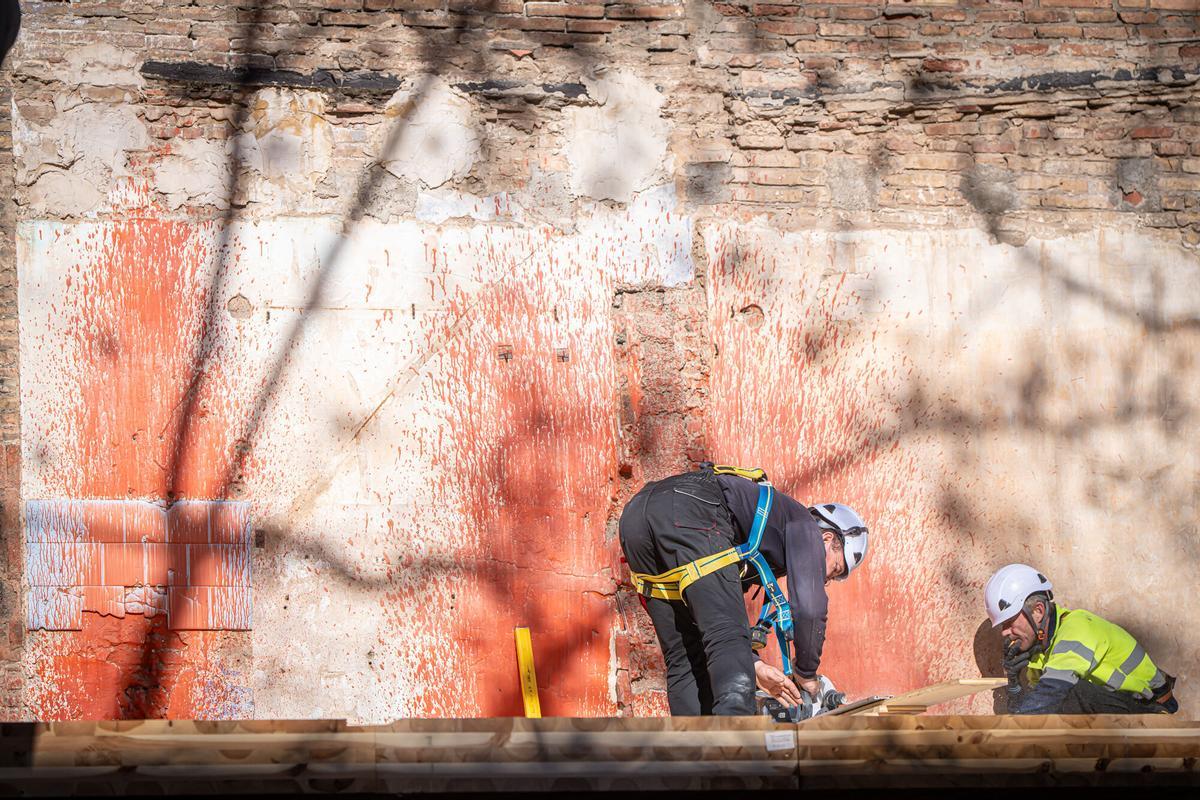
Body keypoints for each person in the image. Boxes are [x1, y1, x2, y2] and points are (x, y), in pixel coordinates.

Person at [619, 463, 869, 716]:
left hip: (636, 518)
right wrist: (806, 672)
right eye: (834, 569)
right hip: (691, 508)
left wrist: (756, 665)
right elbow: (809, 607)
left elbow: (710, 616)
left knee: (686, 658)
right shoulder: (805, 525)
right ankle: (737, 746)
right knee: (727, 637)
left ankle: (693, 751)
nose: (825, 580)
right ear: (827, 539)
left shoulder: (752, 550)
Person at [984, 563, 1179, 715]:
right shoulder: (1039, 654)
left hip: (1151, 711)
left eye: (1009, 622)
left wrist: (1007, 737)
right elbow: (1033, 708)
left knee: (1068, 691)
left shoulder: (1077, 628)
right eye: (1002, 625)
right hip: (1119, 715)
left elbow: (1048, 699)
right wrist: (1014, 682)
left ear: (1038, 611)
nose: (1004, 632)